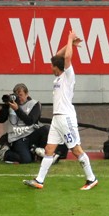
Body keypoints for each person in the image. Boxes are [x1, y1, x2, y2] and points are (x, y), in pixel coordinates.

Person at [24, 31, 98, 190]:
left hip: (66, 118)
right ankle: (39, 180)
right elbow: (58, 55)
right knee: (49, 149)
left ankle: (91, 179)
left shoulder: (68, 76)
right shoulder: (58, 77)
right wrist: (70, 45)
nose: (51, 67)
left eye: (52, 66)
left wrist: (70, 38)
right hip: (57, 119)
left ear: (57, 68)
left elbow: (66, 59)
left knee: (76, 150)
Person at [0, 84, 49, 164]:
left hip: (31, 134)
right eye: (17, 95)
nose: (19, 97)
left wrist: (17, 110)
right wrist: (5, 107)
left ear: (27, 94)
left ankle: (39, 152)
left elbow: (30, 121)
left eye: (21, 95)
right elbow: (0, 120)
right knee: (26, 160)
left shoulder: (34, 104)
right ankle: (5, 153)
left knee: (46, 129)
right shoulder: (11, 105)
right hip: (17, 137)